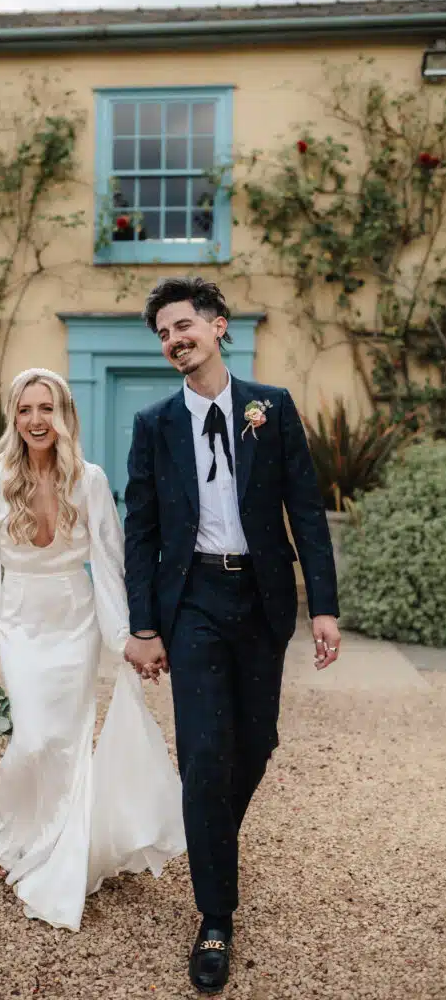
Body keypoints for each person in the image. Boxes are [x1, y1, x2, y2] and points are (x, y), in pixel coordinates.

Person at [123, 277, 341, 994]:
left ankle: (207, 828)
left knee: (256, 742)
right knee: (205, 753)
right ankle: (215, 916)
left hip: (261, 597)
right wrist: (143, 625)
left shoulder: (269, 408)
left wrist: (323, 607)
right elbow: (141, 529)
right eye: (163, 333)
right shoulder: (154, 424)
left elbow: (304, 510)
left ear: (218, 326)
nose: (173, 340)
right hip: (191, 601)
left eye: (182, 325)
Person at [0, 367, 185, 932]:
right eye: (25, 409)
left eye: (46, 408)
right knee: (32, 738)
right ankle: (8, 829)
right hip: (21, 622)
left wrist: (126, 637)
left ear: (64, 415)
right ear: (14, 417)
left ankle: (55, 844)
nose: (36, 420)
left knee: (68, 741)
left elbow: (109, 561)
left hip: (76, 623)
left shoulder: (90, 480)